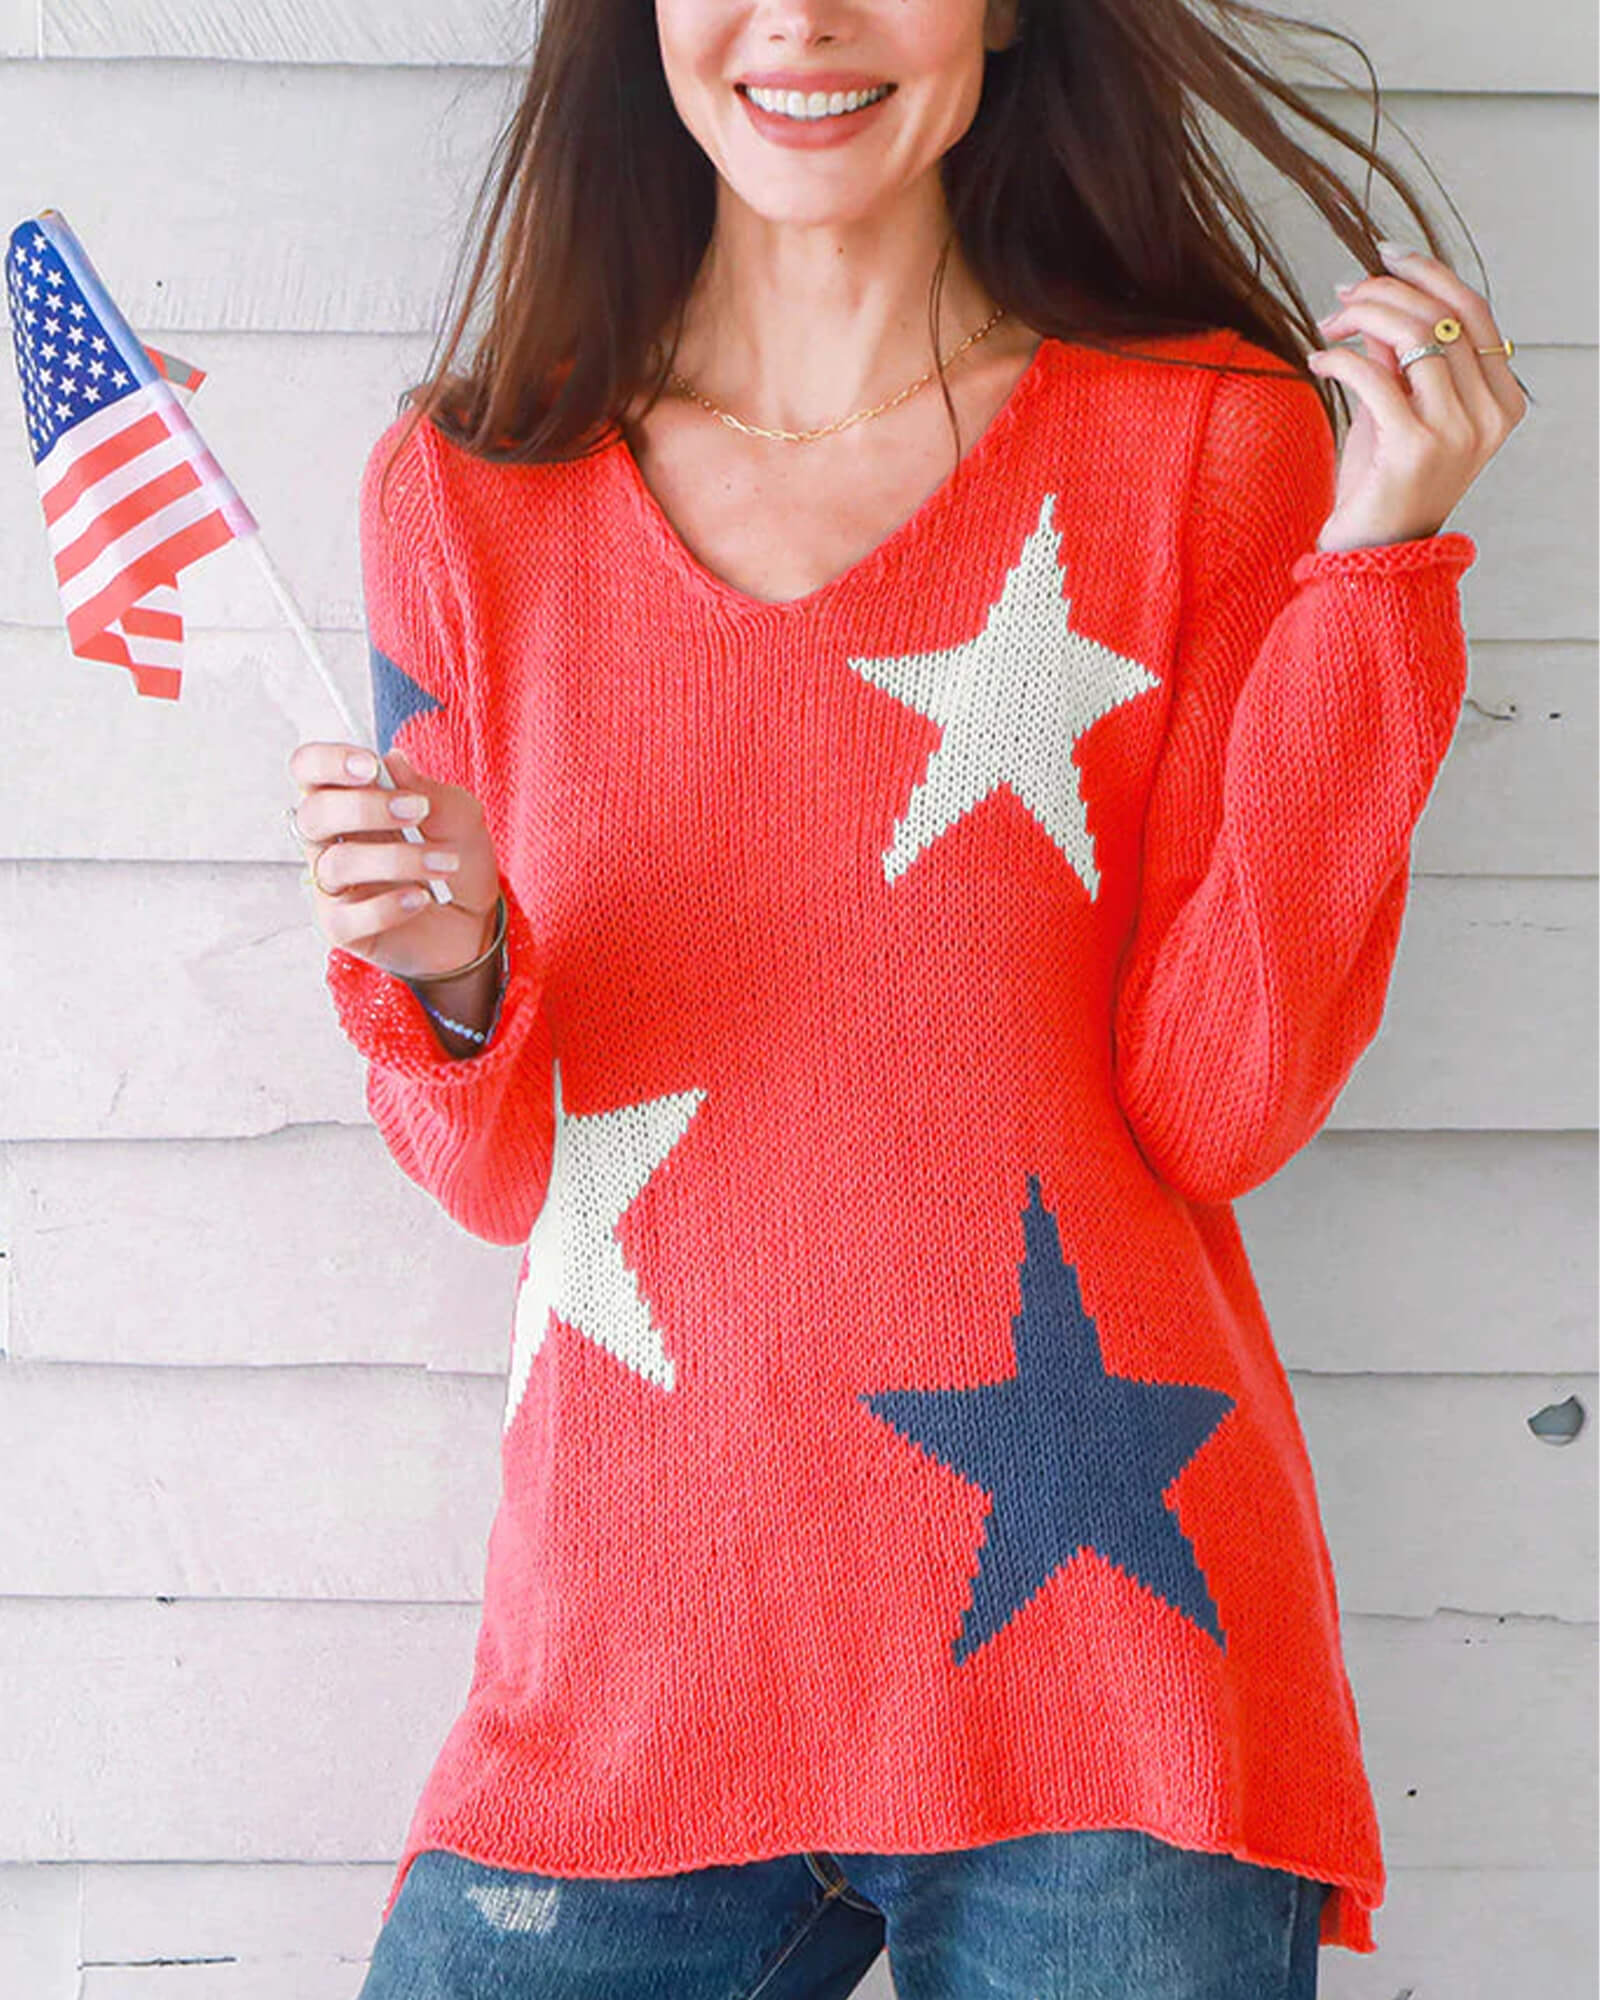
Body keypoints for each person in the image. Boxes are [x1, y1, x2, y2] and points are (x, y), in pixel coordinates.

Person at [286, 2, 1526, 1993]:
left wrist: (1372, 570)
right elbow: (495, 1173)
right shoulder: (467, 491)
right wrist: (452, 976)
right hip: (630, 1672)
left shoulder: (1204, 437)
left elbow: (1219, 1106)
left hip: (1111, 1678)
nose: (800, 20)